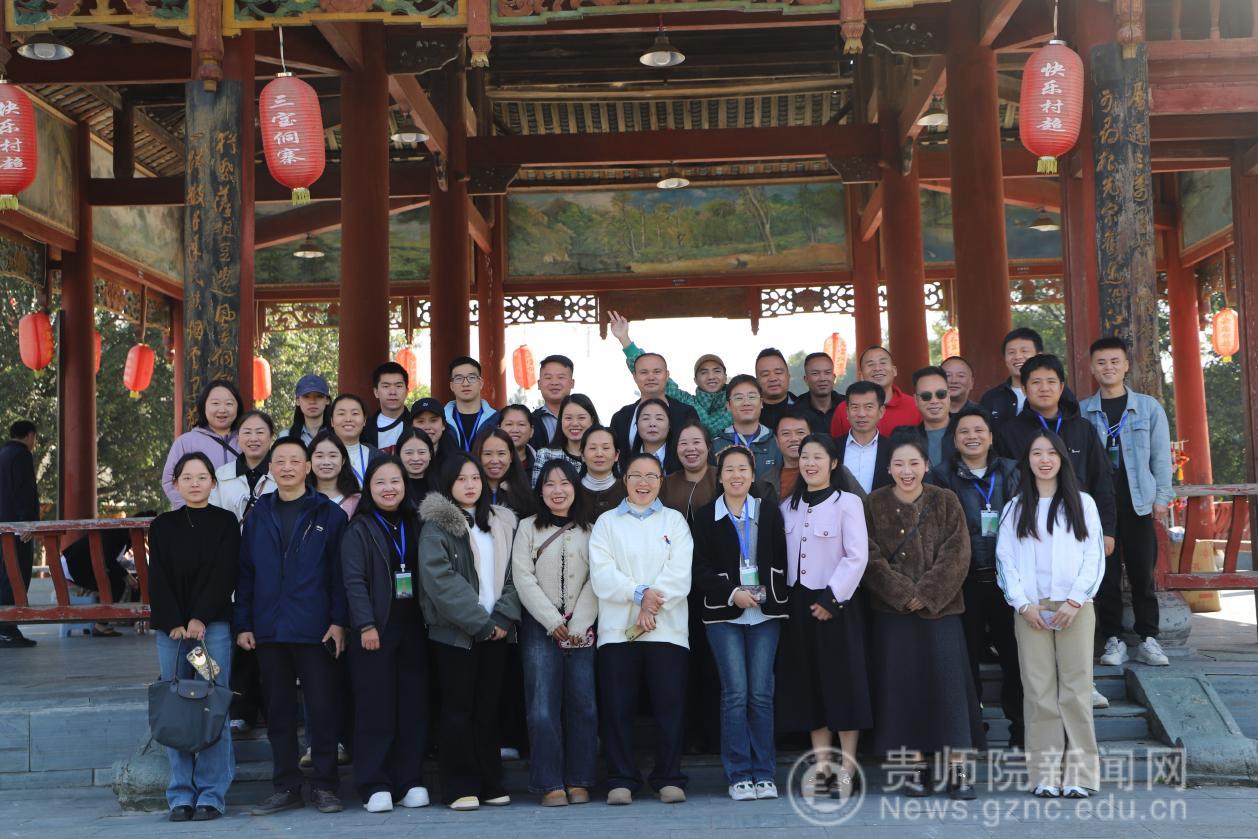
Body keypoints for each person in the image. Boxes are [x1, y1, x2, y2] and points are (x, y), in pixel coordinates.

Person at [863, 431, 983, 800]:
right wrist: (902, 594)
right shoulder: (873, 503)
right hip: (893, 615)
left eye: (914, 463)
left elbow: (957, 553)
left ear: (926, 465)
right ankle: (913, 768)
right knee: (903, 692)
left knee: (949, 691)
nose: (907, 471)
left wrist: (926, 594)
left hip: (941, 612)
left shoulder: (945, 500)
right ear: (888, 468)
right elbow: (868, 555)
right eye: (898, 464)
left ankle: (958, 769)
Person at [235, 438, 349, 817]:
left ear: (308, 467)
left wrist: (339, 622)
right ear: (270, 469)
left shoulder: (329, 514)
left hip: (316, 629)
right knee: (279, 712)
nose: (286, 467)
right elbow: (246, 574)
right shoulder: (258, 515)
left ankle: (326, 786)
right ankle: (286, 786)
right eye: (279, 461)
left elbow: (340, 576)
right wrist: (244, 623)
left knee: (322, 709)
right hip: (269, 629)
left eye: (294, 461)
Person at [996, 430, 1105, 799]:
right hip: (1031, 608)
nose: (1044, 460)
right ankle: (1044, 774)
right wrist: (1022, 604)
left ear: (1062, 459)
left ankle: (1080, 775)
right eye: (1036, 453)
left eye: (1051, 453)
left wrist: (1076, 600)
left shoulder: (1083, 504)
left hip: (1075, 607)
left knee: (1076, 689)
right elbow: (1005, 559)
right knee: (1038, 691)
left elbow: (1094, 556)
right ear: (1027, 461)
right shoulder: (1014, 508)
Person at [589, 453, 694, 805]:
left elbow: (680, 573)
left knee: (669, 706)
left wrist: (650, 604)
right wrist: (640, 595)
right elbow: (602, 573)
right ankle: (621, 777)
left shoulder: (674, 521)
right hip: (618, 631)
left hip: (667, 630)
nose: (643, 483)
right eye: (636, 475)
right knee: (618, 707)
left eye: (651, 476)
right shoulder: (606, 523)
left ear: (661, 481)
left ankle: (669, 777)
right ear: (625, 479)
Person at [418, 454, 520, 811]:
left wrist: (503, 617)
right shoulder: (436, 527)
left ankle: (490, 782)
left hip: (498, 632)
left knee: (487, 710)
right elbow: (440, 581)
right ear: (448, 484)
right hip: (456, 635)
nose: (470, 485)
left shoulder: (501, 522)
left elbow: (517, 573)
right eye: (461, 479)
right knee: (458, 709)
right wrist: (481, 623)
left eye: (475, 478)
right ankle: (459, 786)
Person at [776, 435, 871, 801]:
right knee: (809, 685)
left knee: (842, 684)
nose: (810, 463)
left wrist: (832, 598)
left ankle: (847, 768)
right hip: (798, 604)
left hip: (836, 603)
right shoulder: (788, 506)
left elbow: (857, 556)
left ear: (833, 463)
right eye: (805, 457)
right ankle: (821, 766)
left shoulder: (847, 502)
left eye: (818, 457)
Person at [691, 447, 790, 801]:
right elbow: (698, 568)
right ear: (719, 477)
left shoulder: (769, 512)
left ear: (753, 475)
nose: (736, 475)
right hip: (724, 614)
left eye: (743, 469)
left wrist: (767, 593)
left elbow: (782, 559)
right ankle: (738, 774)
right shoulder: (706, 516)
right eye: (729, 469)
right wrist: (733, 592)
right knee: (735, 694)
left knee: (761, 694)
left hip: (765, 614)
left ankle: (764, 773)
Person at [147, 453, 240, 821]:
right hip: (171, 633)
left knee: (212, 703)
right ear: (176, 483)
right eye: (187, 477)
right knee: (176, 706)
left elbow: (225, 573)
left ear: (213, 483)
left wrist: (200, 617)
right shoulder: (162, 525)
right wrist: (174, 621)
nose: (195, 483)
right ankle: (181, 794)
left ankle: (212, 794)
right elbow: (158, 577)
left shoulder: (225, 522)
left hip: (211, 630)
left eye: (202, 477)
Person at [927, 406, 1024, 749]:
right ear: (954, 440)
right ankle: (971, 727)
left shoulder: (1012, 471)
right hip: (962, 580)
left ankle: (1020, 727)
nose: (972, 437)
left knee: (1014, 655)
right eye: (964, 432)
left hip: (1007, 579)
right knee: (965, 657)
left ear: (991, 436)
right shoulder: (941, 476)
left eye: (979, 430)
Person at [340, 456, 431, 813]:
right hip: (375, 630)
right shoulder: (359, 528)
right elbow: (353, 581)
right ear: (368, 488)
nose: (389, 488)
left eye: (395, 481)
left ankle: (410, 780)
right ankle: (375, 782)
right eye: (380, 482)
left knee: (413, 706)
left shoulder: (416, 522)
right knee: (375, 707)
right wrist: (365, 624)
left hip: (415, 628)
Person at [1081, 337, 1174, 667]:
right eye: (1101, 362)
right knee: (1104, 577)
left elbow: (1161, 457)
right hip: (1098, 509)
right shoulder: (1082, 411)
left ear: (1126, 365)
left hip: (1138, 504)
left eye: (1114, 361)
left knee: (1142, 574)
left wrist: (1162, 497)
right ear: (1092, 368)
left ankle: (1149, 638)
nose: (1108, 367)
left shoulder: (1148, 408)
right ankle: (1113, 639)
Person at [511, 459, 598, 807]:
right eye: (549, 484)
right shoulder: (527, 527)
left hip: (582, 628)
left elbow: (597, 578)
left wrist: (578, 624)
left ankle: (580, 779)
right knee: (542, 706)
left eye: (564, 483)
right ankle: (549, 783)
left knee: (583, 705)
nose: (557, 491)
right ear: (540, 490)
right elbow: (522, 577)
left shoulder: (591, 529)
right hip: (539, 626)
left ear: (575, 488)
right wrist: (552, 620)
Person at [997, 354, 1117, 556]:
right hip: (1029, 527)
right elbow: (1005, 485)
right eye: (1036, 382)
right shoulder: (1008, 433)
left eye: (1051, 382)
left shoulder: (1083, 429)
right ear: (1024, 389)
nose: (1044, 388)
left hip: (1079, 523)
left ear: (1061, 388)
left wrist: (1107, 530)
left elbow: (1102, 480)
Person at [608, 311, 730, 437]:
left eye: (717, 371)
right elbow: (648, 368)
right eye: (704, 372)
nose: (711, 377)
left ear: (725, 377)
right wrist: (624, 339)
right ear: (695, 380)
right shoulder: (687, 404)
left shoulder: (738, 400)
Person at [162, 380, 243, 507]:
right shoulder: (186, 442)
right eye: (215, 403)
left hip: (241, 516)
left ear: (238, 407)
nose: (222, 409)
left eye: (229, 403)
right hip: (198, 515)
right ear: (203, 406)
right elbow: (169, 481)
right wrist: (192, 510)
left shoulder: (246, 441)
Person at [980, 328, 1076, 433]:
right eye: (1011, 352)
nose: (1017, 357)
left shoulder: (1060, 393)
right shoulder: (991, 398)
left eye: (1024, 351)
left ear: (1039, 355)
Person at [608, 352, 700, 458]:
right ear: (634, 377)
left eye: (657, 372)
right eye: (644, 372)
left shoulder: (686, 413)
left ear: (667, 375)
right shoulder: (621, 417)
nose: (651, 377)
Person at [58, 526, 142, 636]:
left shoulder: (126, 537)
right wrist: (126, 576)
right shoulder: (117, 532)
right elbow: (107, 558)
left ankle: (94, 622)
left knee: (117, 581)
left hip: (86, 565)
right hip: (74, 565)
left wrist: (127, 575)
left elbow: (112, 560)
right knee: (116, 584)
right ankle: (100, 625)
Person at [768, 409, 864, 503]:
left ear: (811, 435)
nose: (794, 439)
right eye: (786, 433)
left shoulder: (838, 471)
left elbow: (864, 506)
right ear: (776, 439)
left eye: (800, 432)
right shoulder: (767, 480)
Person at [0, 420, 39, 648]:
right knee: (16, 576)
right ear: (30, 435)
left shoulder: (3, 454)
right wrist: (28, 523)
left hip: (2, 527)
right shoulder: (21, 455)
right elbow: (24, 491)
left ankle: (6, 625)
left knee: (4, 575)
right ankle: (7, 628)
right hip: (17, 529)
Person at [830, 347, 921, 438]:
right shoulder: (844, 409)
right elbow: (836, 445)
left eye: (883, 363)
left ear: (894, 371)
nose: (877, 368)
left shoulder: (915, 406)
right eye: (870, 364)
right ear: (861, 375)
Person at [712, 375, 783, 482]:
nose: (746, 403)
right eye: (739, 398)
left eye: (752, 397)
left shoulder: (775, 441)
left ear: (761, 403)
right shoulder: (717, 444)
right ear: (728, 406)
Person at [210, 410, 276, 521]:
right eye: (247, 432)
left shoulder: (282, 473)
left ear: (271, 436)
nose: (253, 438)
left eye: (260, 432)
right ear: (238, 437)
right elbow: (213, 516)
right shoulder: (222, 474)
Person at [834, 382, 893, 495]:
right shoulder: (832, 448)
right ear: (847, 412)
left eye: (868, 407)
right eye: (855, 407)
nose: (861, 414)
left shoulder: (893, 449)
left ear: (881, 412)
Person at [532, 394, 598, 485]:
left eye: (581, 418)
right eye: (568, 418)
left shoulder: (602, 455)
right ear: (561, 420)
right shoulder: (545, 455)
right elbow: (537, 491)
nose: (574, 423)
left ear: (592, 420)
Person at [661, 420, 718, 521]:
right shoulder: (666, 484)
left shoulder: (721, 478)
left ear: (708, 446)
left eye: (696, 442)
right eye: (683, 443)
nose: (690, 448)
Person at [474, 428, 534, 517]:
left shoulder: (525, 495)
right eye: (488, 454)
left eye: (501, 453)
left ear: (511, 457)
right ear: (478, 456)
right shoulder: (470, 492)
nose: (495, 461)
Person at [444, 357, 500, 453]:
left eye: (472, 378)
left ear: (481, 383)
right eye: (459, 378)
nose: (465, 383)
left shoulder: (497, 419)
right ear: (452, 386)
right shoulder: (441, 420)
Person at [330, 394, 381, 489]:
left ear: (364, 420)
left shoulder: (379, 457)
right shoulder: (320, 456)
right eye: (341, 414)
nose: (348, 419)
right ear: (332, 421)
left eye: (355, 413)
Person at [309, 430, 362, 518]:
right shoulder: (300, 497)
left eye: (333, 456)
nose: (326, 462)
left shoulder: (357, 500)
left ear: (343, 460)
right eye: (319, 456)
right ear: (309, 461)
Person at [361, 362, 412, 453]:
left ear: (406, 392)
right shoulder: (364, 429)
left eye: (398, 386)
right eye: (386, 386)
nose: (393, 392)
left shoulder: (416, 424)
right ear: (376, 392)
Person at [912, 366, 956, 468]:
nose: (934, 401)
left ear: (949, 395)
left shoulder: (966, 433)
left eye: (941, 394)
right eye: (926, 396)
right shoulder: (909, 439)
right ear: (915, 400)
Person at [529, 355, 575, 450]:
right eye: (548, 378)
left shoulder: (586, 420)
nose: (554, 382)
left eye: (561, 377)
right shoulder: (529, 421)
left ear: (572, 383)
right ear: (539, 384)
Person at [626, 397, 683, 475]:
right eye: (646, 418)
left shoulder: (681, 461)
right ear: (636, 425)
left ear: (669, 425)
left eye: (659, 419)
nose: (652, 424)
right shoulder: (627, 463)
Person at [579, 426, 627, 517]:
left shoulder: (628, 490)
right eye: (592, 448)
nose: (599, 454)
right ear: (582, 455)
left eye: (606, 448)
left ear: (616, 455)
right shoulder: (571, 489)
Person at [755, 348, 798, 432]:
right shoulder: (748, 412)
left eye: (778, 373)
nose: (773, 378)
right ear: (757, 381)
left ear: (788, 376)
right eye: (765, 374)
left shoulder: (805, 408)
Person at [285, 374, 331, 445]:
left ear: (327, 400)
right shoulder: (285, 436)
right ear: (297, 401)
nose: (312, 401)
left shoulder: (339, 434)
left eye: (319, 396)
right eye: (306, 396)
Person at [800, 351, 840, 433]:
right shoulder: (796, 410)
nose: (822, 379)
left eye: (827, 373)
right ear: (806, 379)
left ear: (834, 377)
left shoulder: (845, 405)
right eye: (815, 373)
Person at [396, 428, 435, 509]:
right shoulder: (394, 486)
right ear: (399, 455)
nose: (415, 458)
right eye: (409, 453)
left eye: (421, 452)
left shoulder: (443, 483)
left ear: (430, 454)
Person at [498, 404, 538, 479]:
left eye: (521, 424)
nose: (515, 430)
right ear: (499, 429)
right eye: (509, 424)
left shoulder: (541, 464)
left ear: (531, 431)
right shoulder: (490, 464)